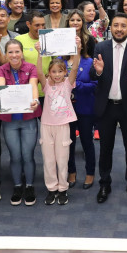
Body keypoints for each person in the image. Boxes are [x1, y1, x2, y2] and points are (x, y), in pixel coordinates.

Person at [91, 13, 127, 203]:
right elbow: (93, 73)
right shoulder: (100, 47)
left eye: (123, 25)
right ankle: (104, 184)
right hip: (106, 108)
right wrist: (97, 71)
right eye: (116, 25)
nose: (120, 29)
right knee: (105, 148)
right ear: (111, 28)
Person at [0, 38, 41, 206]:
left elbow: (33, 84)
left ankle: (29, 186)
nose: (14, 55)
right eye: (10, 52)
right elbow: (0, 84)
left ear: (22, 53)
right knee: (15, 156)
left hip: (28, 118)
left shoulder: (31, 68)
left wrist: (35, 99)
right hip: (10, 121)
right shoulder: (1, 70)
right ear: (6, 54)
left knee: (28, 156)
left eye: (17, 51)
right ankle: (17, 186)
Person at [35, 36, 82, 205]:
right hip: (47, 126)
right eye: (53, 72)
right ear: (50, 73)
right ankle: (52, 189)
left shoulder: (68, 84)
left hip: (63, 126)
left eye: (60, 71)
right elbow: (39, 72)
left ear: (64, 73)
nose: (56, 75)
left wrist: (77, 48)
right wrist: (39, 53)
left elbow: (75, 67)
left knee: (62, 160)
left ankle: (63, 189)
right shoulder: (46, 85)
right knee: (48, 160)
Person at [67, 12, 98, 189]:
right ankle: (71, 172)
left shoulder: (89, 62)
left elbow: (95, 85)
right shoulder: (60, 63)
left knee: (87, 142)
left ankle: (90, 173)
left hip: (86, 108)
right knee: (69, 143)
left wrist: (76, 85)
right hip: (66, 110)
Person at [15, 11, 50, 95]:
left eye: (43, 25)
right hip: (27, 90)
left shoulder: (49, 38)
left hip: (47, 89)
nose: (41, 28)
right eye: (37, 25)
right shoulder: (19, 39)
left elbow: (57, 60)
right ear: (28, 24)